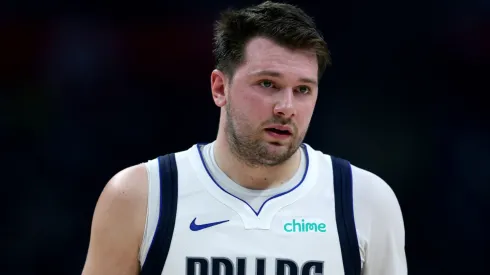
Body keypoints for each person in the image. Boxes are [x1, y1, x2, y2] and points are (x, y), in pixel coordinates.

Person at [81, 1, 407, 275]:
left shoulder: (364, 201)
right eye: (268, 84)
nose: (286, 107)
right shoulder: (139, 196)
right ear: (220, 88)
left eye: (303, 89)